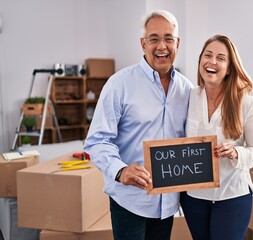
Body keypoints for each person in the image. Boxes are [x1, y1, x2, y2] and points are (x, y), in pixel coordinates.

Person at [83, 9, 192, 240]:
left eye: (168, 38)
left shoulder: (187, 89)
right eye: (154, 39)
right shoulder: (119, 84)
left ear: (178, 43)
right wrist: (120, 170)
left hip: (167, 201)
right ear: (143, 44)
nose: (162, 46)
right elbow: (97, 141)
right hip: (130, 200)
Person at [180, 34, 253, 240]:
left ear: (229, 68)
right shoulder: (187, 97)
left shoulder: (247, 103)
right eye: (207, 55)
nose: (212, 61)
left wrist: (236, 152)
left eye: (221, 58)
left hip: (232, 195)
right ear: (200, 61)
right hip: (194, 197)